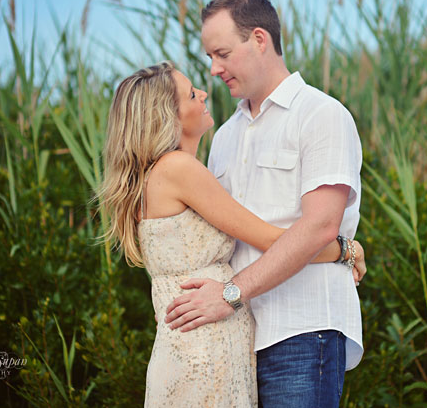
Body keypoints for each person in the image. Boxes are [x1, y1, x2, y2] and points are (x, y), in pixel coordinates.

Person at [97, 61, 364, 407]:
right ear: (167, 116)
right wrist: (349, 250)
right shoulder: (179, 170)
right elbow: (270, 239)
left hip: (199, 344)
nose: (205, 93)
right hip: (205, 351)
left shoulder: (161, 175)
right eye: (192, 94)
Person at [164, 0, 364, 407]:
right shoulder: (223, 137)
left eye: (221, 54)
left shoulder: (321, 115)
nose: (214, 70)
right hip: (233, 342)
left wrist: (230, 293)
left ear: (259, 39)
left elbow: (319, 226)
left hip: (302, 331)